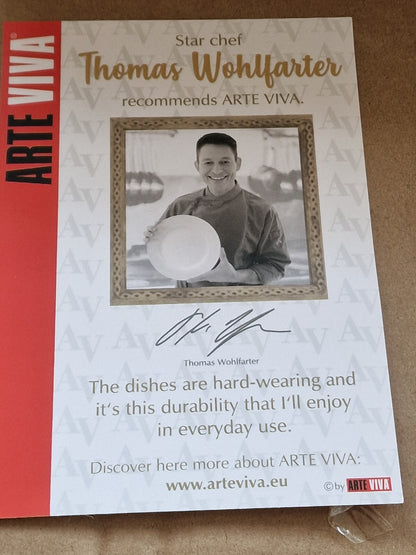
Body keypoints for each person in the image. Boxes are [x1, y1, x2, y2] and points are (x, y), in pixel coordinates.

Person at [147, 132, 290, 287]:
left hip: (240, 299)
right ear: (197, 166)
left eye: (225, 162)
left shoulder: (262, 211)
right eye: (208, 163)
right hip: (189, 298)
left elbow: (276, 266)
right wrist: (152, 237)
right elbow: (163, 252)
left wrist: (235, 276)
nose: (216, 170)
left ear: (238, 163)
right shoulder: (180, 206)